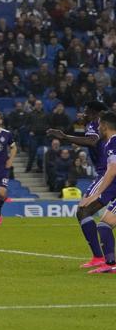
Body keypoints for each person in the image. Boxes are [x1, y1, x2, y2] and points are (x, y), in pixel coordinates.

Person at [48, 101, 108, 268]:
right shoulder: (101, 122)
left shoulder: (94, 124)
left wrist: (65, 136)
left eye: (86, 111)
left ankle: (100, 257)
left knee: (83, 210)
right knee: (87, 212)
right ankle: (100, 257)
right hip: (105, 171)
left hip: (107, 173)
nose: (83, 113)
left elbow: (92, 141)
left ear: (94, 112)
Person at [78, 110, 116, 273]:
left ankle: (110, 263)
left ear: (105, 126)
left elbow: (112, 169)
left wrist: (95, 195)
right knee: (104, 225)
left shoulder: (113, 142)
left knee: (104, 225)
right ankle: (110, 263)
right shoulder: (110, 142)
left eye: (99, 124)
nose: (97, 127)